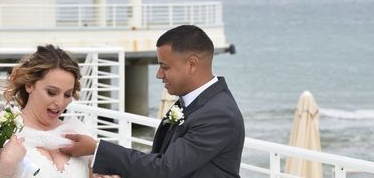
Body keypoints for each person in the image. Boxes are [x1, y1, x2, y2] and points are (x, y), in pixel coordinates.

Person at [61, 24, 245, 178]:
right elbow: (162, 160)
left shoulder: (219, 114)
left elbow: (166, 168)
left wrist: (96, 148)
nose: (159, 74)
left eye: (165, 66)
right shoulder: (191, 102)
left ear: (192, 64)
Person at [0, 44, 95, 178]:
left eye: (67, 94)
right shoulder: (0, 135)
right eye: (52, 92)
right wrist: (7, 166)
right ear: (29, 85)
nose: (60, 102)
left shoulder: (79, 135)